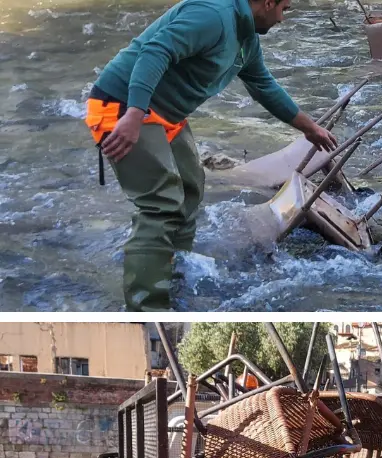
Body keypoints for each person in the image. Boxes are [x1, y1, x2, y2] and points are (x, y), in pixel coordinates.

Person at [84, 0, 338, 311]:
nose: (283, 18)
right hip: (124, 107)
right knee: (160, 204)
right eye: (284, 8)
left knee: (191, 188)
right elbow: (155, 51)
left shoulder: (247, 40)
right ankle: (147, 306)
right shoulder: (213, 15)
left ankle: (172, 276)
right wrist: (135, 113)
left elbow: (263, 85)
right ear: (267, 3)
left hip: (165, 114)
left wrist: (309, 128)